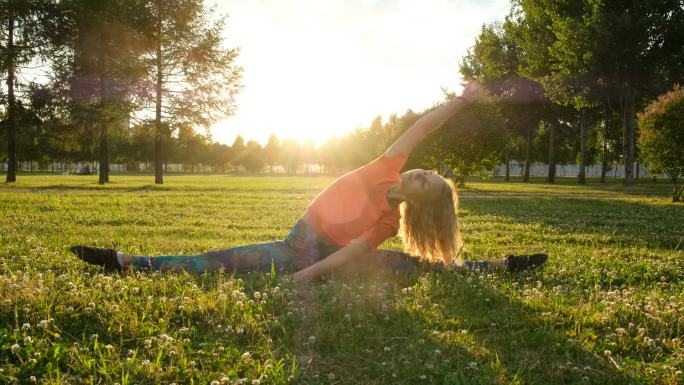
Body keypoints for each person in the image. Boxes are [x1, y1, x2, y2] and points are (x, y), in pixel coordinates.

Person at [71, 82, 547, 281]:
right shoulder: (386, 165)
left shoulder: (386, 220)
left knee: (421, 267)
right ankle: (123, 260)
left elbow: (353, 254)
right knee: (215, 260)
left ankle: (501, 266)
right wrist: (461, 101)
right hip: (296, 243)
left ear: (419, 202)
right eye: (424, 171)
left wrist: (307, 277)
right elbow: (423, 127)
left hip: (322, 260)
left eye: (425, 180)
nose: (420, 171)